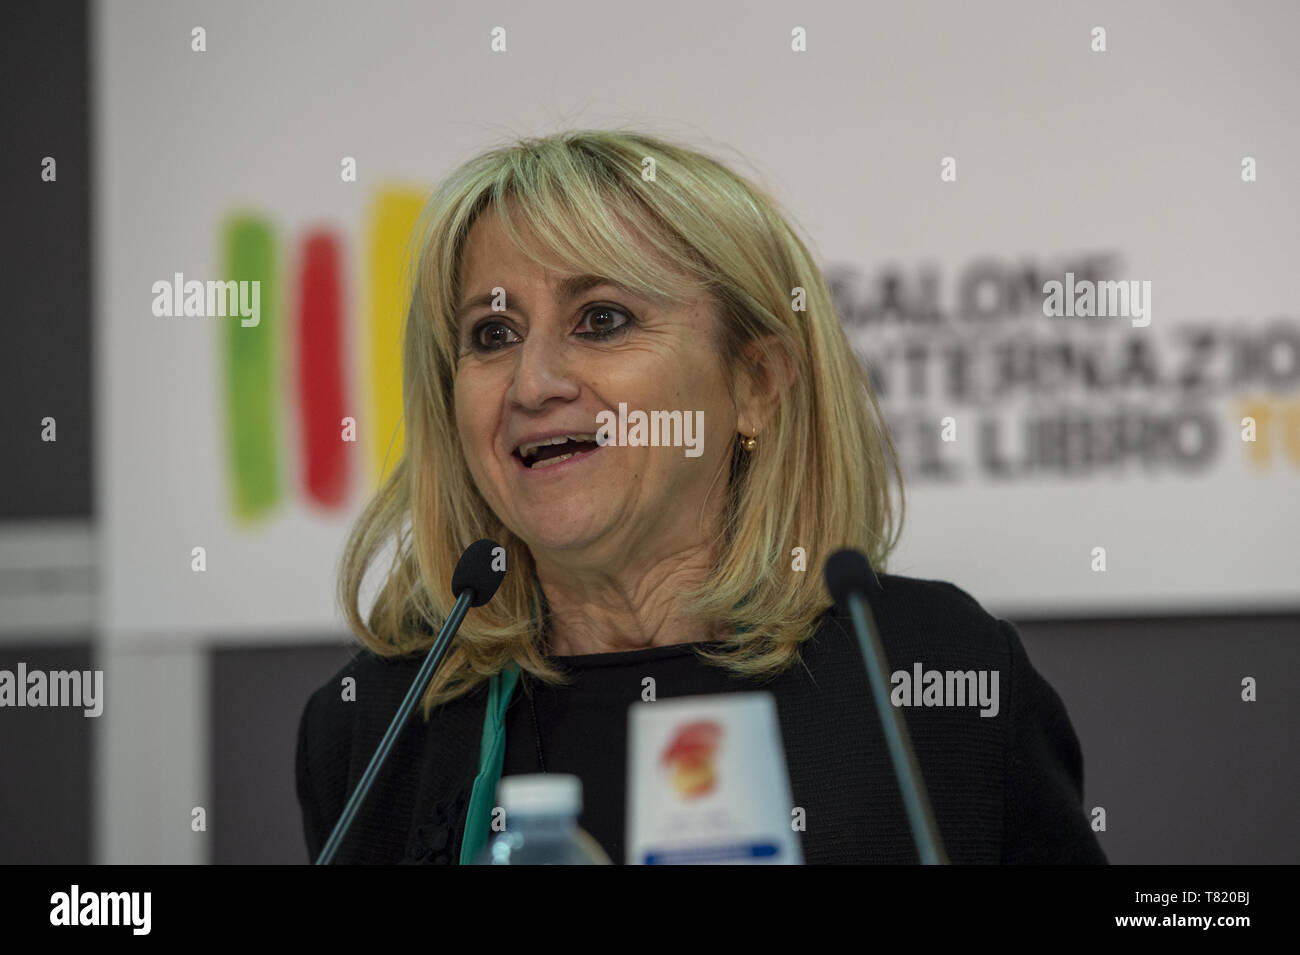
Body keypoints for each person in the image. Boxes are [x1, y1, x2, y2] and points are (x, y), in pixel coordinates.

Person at [295, 129, 1106, 864]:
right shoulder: (380, 723)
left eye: (602, 319)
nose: (533, 382)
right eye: (492, 335)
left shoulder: (933, 672)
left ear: (754, 382)